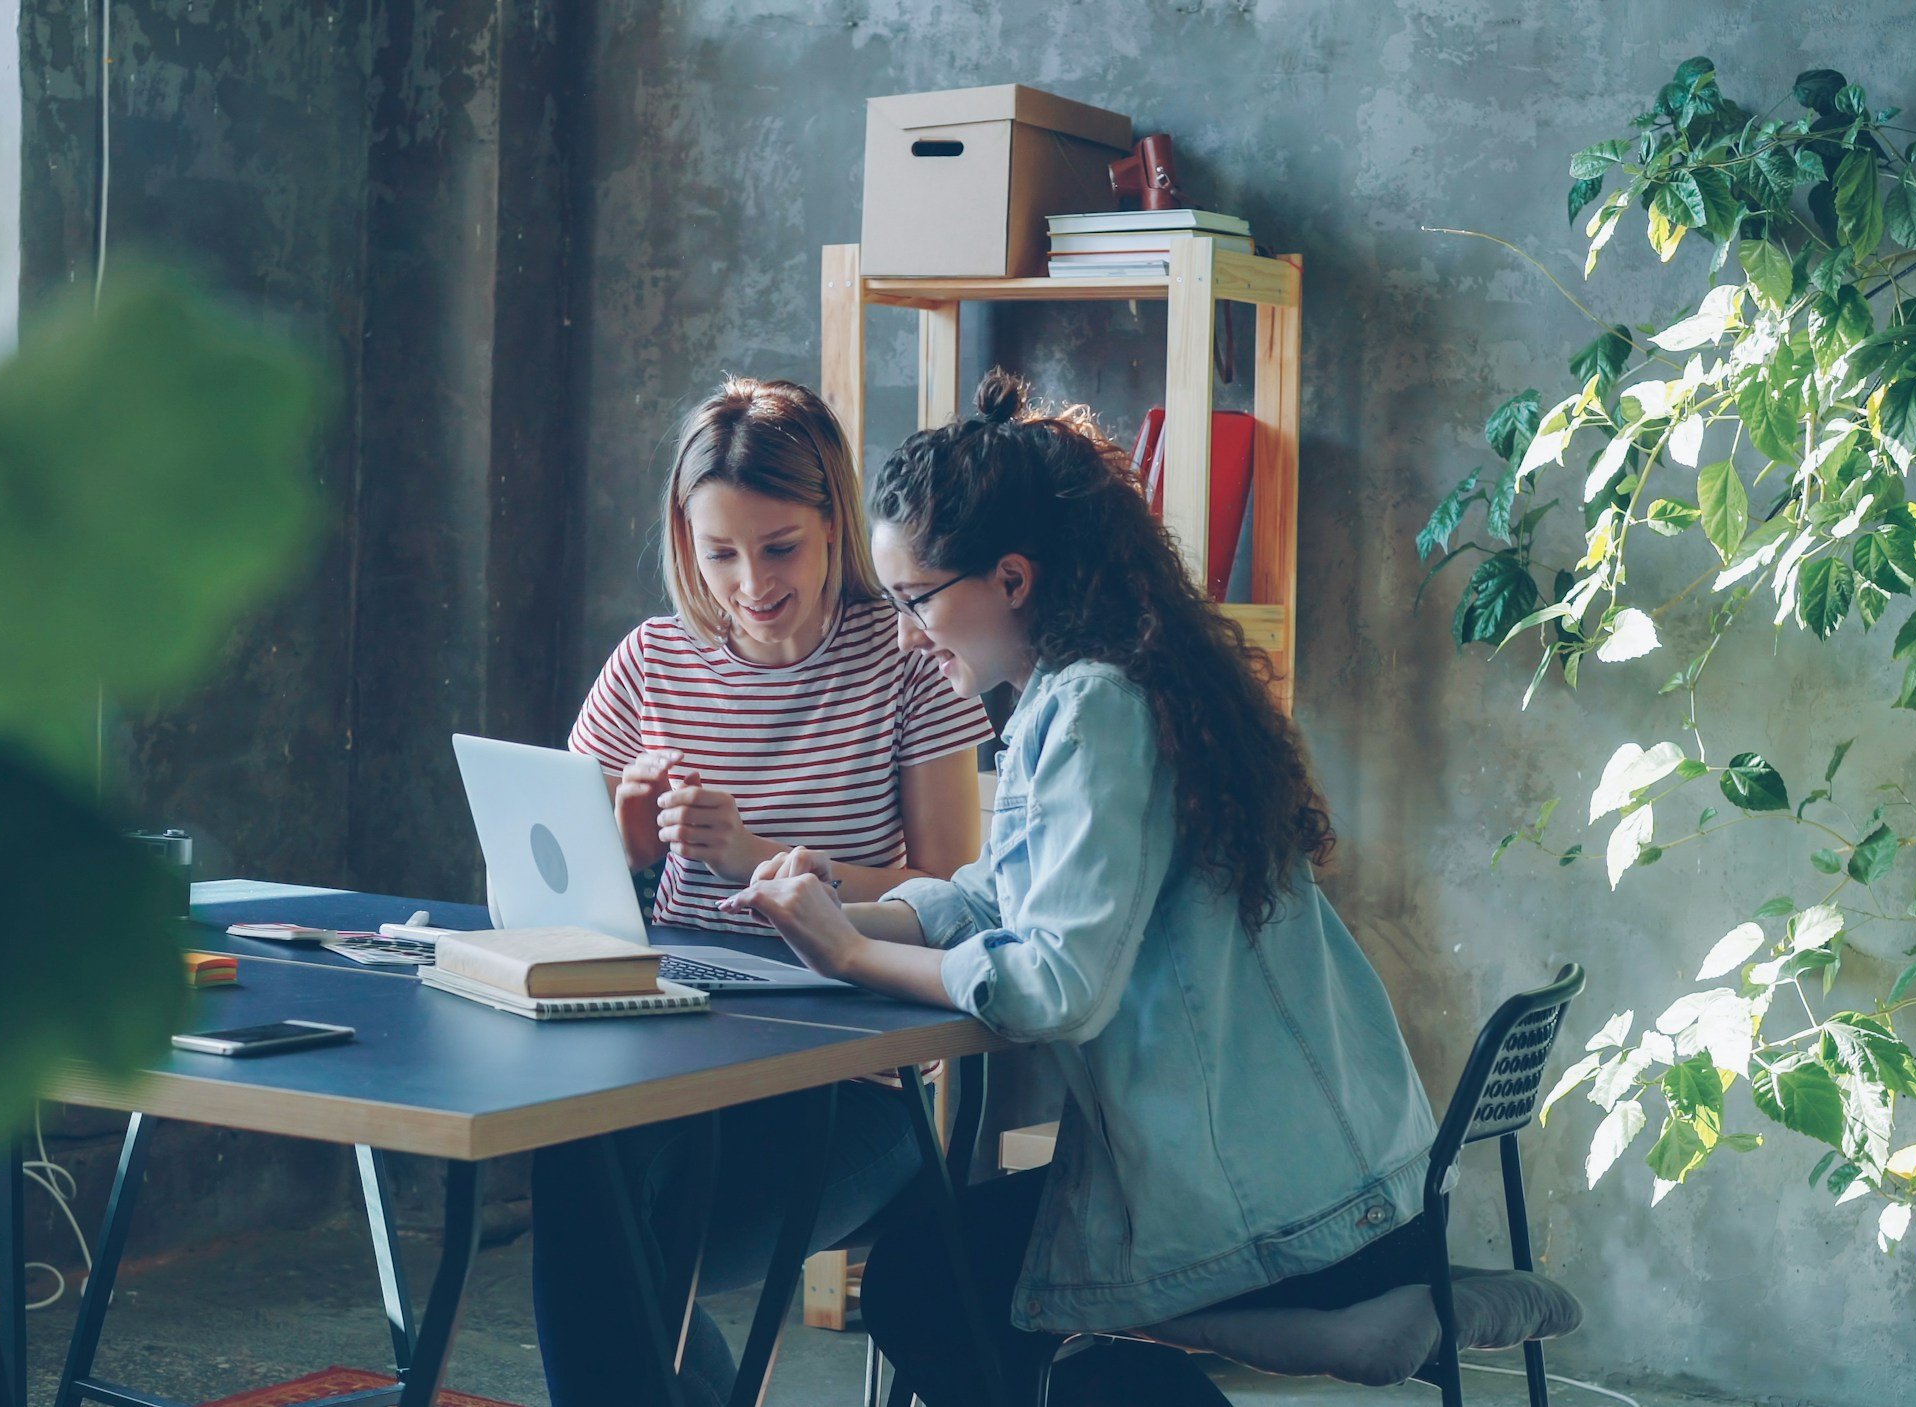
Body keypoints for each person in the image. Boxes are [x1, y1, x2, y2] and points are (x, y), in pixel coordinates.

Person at [724, 370, 1440, 1406]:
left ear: (1010, 579)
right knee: (951, 1272)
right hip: (1328, 1178)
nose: (910, 634)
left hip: (1294, 1213)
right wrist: (844, 910)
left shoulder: (1094, 705)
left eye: (918, 601)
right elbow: (1005, 897)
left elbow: (1058, 985)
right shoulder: (1094, 685)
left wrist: (847, 955)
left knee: (931, 1280)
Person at [533, 377, 993, 1406]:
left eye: (779, 546)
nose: (752, 583)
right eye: (720, 553)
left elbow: (961, 892)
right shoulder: (649, 664)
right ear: (683, 541)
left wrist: (760, 855)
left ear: (834, 519)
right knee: (582, 1173)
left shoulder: (911, 665)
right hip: (673, 1056)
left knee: (608, 1227)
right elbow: (560, 900)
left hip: (854, 1085)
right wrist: (626, 844)